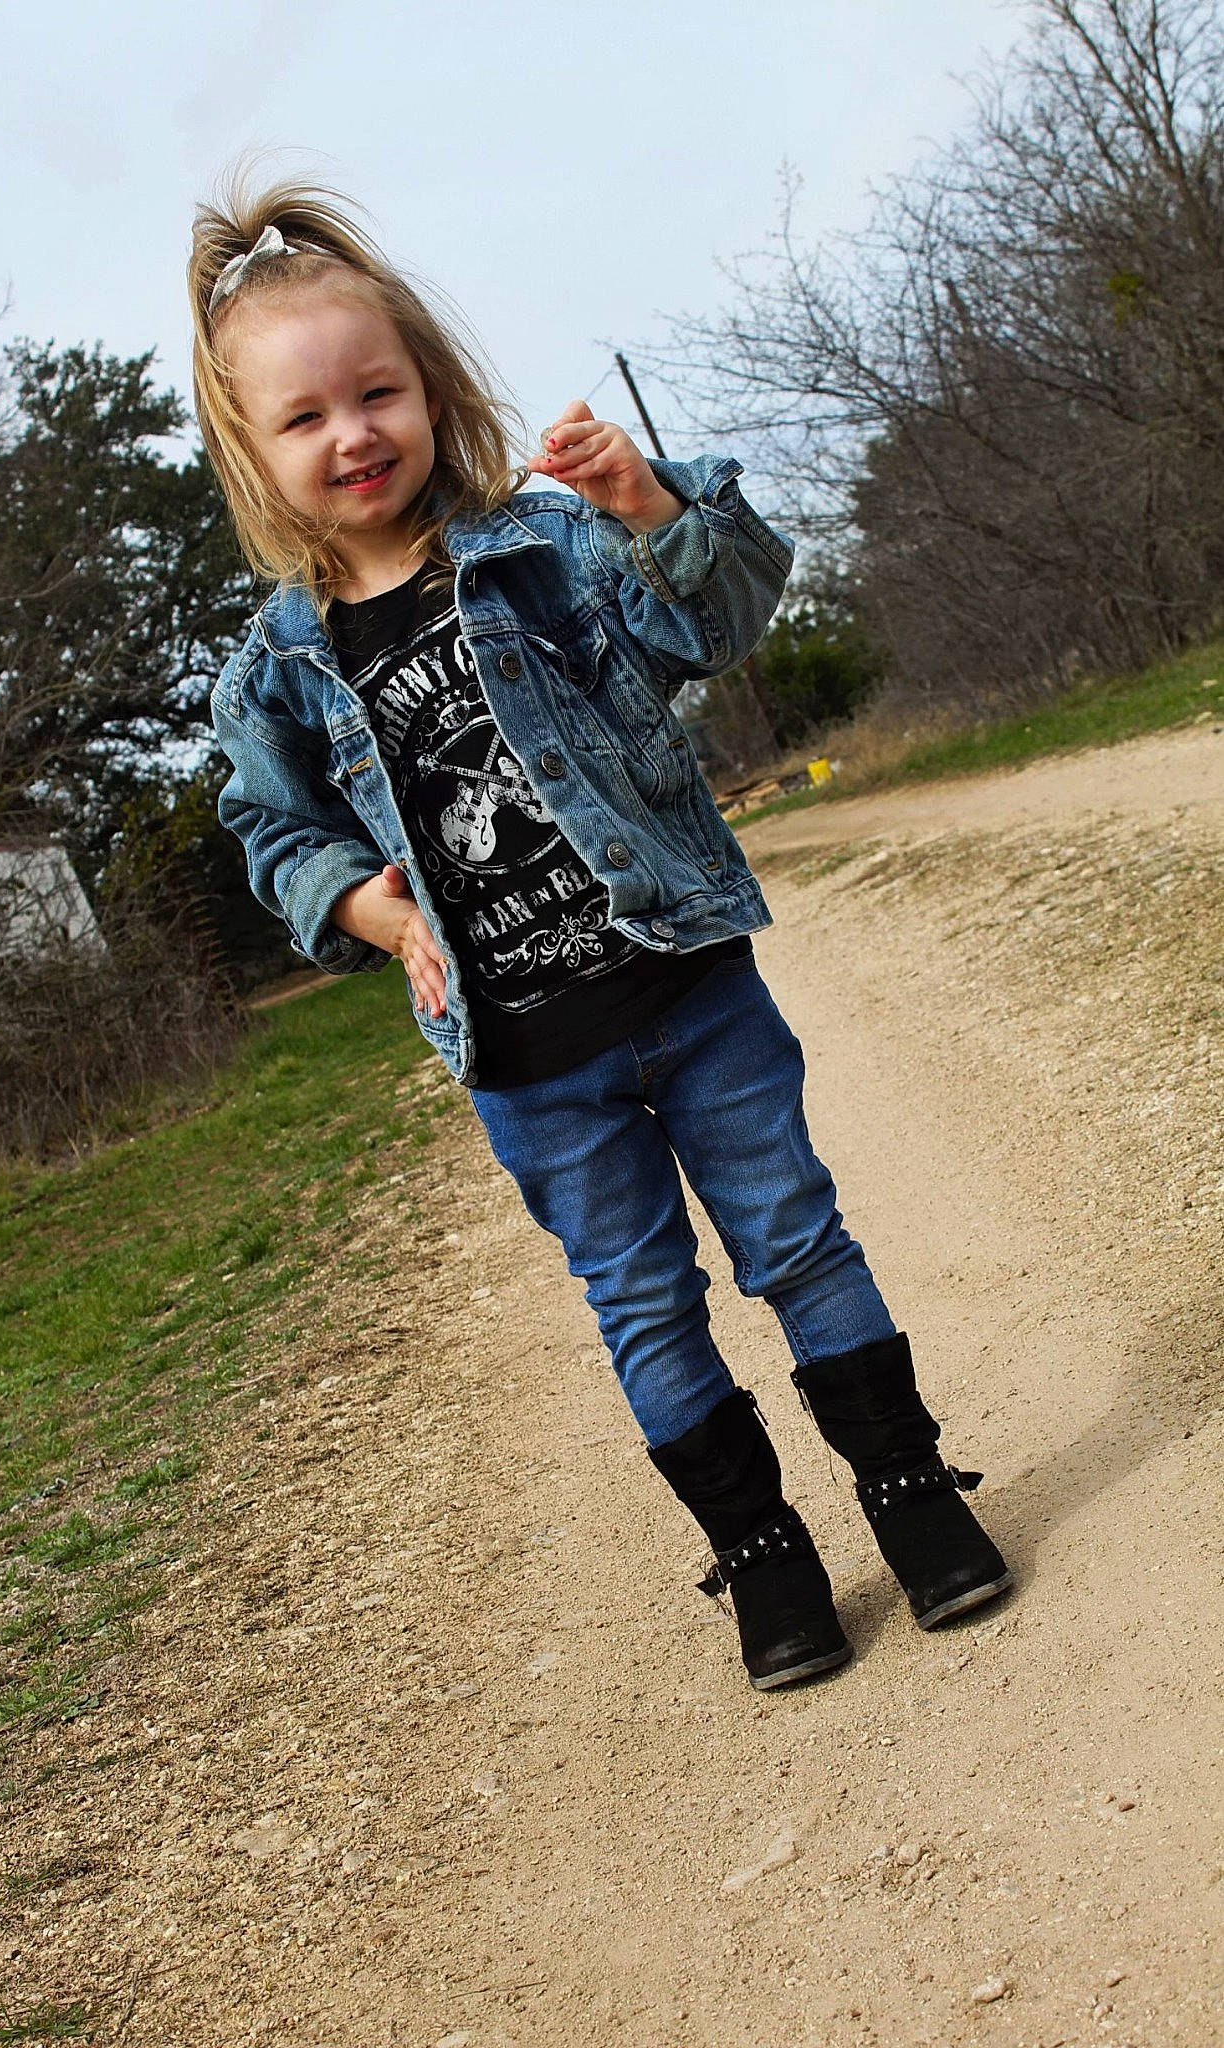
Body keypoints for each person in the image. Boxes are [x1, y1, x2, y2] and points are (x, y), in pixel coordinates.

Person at [189, 175, 1012, 1693]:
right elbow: (272, 835)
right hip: (525, 1059)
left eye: (377, 393)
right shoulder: (272, 679)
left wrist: (654, 509)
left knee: (795, 1240)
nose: (352, 434)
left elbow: (712, 624)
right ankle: (765, 1560)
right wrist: (364, 905)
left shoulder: (543, 546)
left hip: (689, 988)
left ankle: (907, 1496)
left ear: (429, 391)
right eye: (305, 419)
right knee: (639, 1300)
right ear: (255, 450)